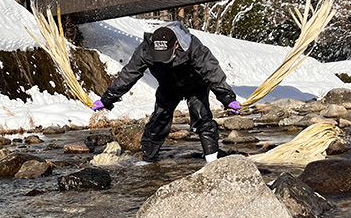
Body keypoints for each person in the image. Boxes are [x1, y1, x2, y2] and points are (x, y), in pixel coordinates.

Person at [92, 21, 241, 163]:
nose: (163, 60)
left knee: (202, 118)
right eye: (159, 56)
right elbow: (128, 75)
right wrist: (107, 99)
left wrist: (227, 97)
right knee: (158, 121)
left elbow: (212, 72)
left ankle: (212, 160)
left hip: (195, 85)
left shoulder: (193, 47)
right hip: (168, 87)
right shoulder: (146, 49)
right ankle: (148, 161)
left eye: (166, 55)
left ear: (176, 44)